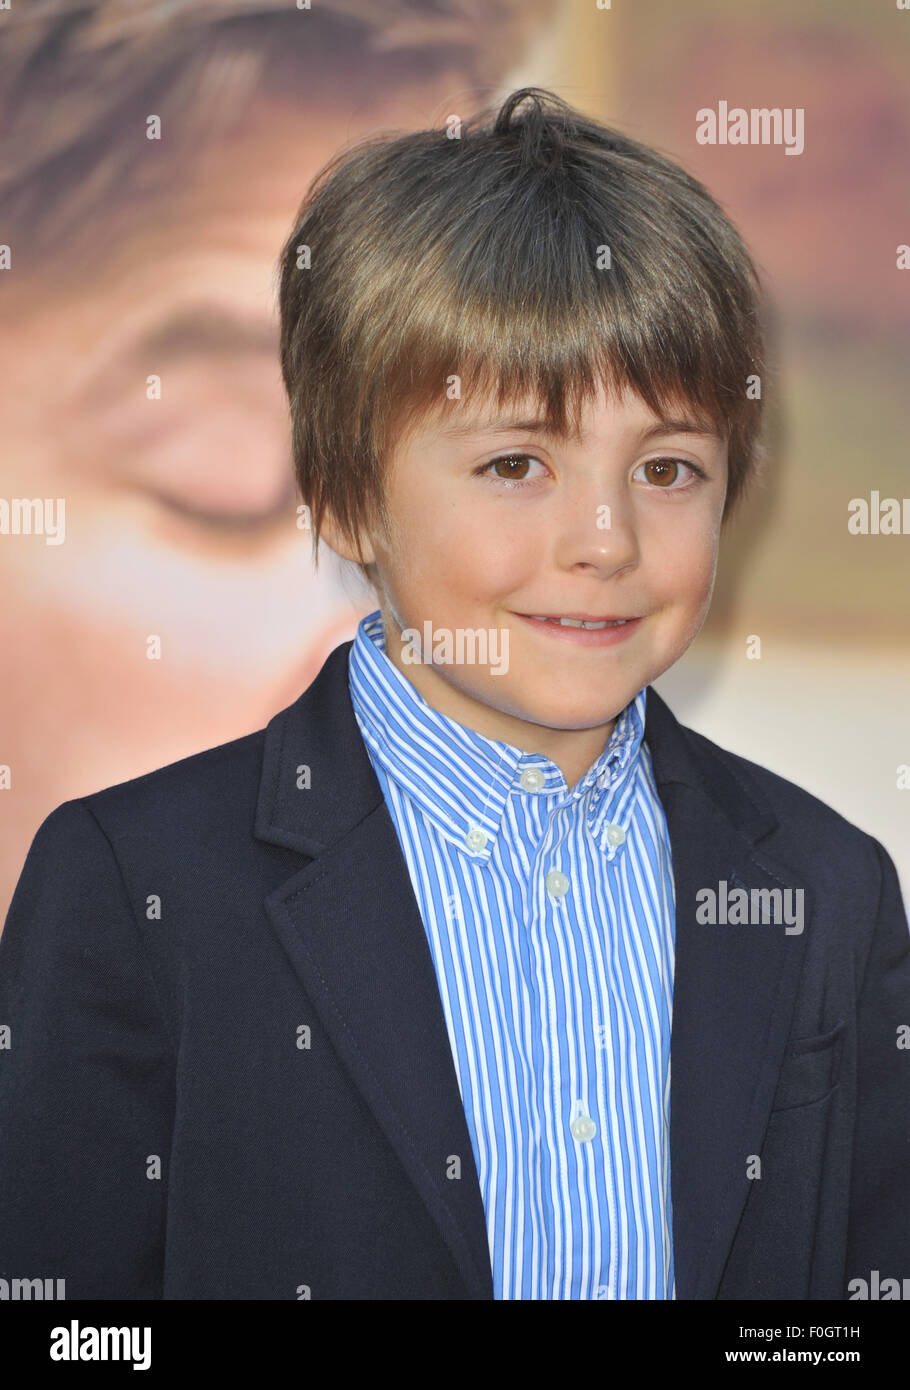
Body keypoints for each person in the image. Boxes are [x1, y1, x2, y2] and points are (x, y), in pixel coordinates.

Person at [1, 87, 908, 1301]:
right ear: (343, 496)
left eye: (667, 467)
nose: (605, 540)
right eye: (515, 463)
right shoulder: (135, 883)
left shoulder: (825, 885)